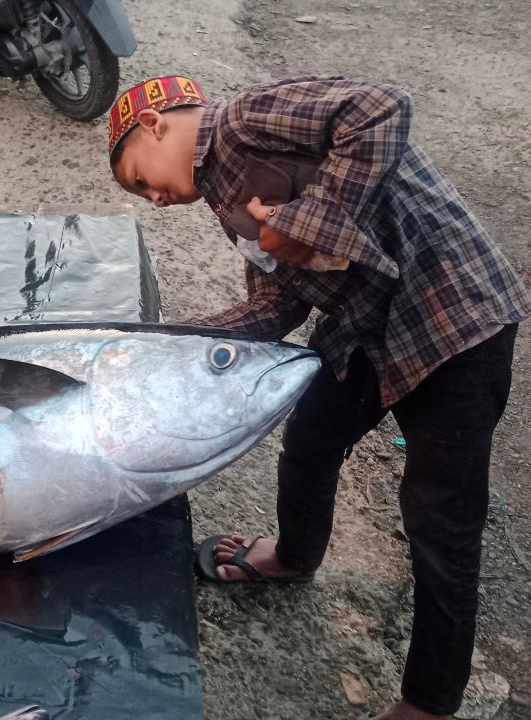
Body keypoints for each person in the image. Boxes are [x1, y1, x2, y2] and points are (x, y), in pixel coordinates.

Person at [105, 75, 531, 719]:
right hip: (368, 327)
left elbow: (381, 105)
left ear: (156, 122)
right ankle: (293, 556)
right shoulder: (227, 201)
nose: (154, 201)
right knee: (309, 441)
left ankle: (429, 703)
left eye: (139, 179)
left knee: (441, 524)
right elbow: (275, 307)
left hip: (454, 318)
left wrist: (316, 220)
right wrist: (174, 341)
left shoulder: (244, 119)